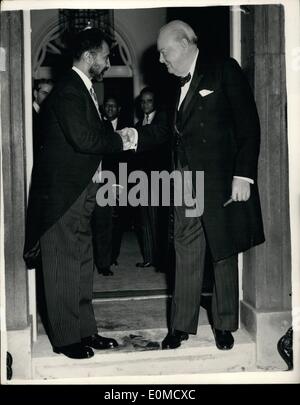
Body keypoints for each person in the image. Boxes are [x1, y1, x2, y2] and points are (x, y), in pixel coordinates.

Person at [124, 20, 265, 351]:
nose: (161, 60)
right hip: (184, 182)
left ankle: (224, 323)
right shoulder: (172, 85)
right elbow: (162, 131)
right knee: (185, 251)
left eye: (164, 52)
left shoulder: (223, 70)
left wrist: (243, 176)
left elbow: (248, 125)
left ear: (184, 44)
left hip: (219, 182)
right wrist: (132, 137)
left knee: (222, 252)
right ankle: (180, 326)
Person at [23, 28, 133, 359]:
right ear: (88, 57)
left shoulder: (82, 90)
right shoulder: (70, 91)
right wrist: (124, 140)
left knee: (82, 262)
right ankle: (66, 339)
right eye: (105, 56)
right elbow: (85, 141)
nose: (108, 62)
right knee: (62, 265)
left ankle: (86, 330)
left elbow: (89, 138)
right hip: (61, 196)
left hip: (80, 190)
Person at [92, 96, 132, 275]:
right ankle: (103, 263)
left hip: (123, 180)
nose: (109, 109)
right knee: (104, 222)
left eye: (113, 106)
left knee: (119, 221)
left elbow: (130, 158)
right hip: (103, 181)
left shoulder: (128, 126)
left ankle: (112, 256)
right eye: (106, 106)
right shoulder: (98, 125)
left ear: (119, 108)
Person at [134, 87, 171, 269]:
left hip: (159, 178)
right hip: (142, 179)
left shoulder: (162, 122)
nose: (145, 104)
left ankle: (162, 260)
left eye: (149, 101)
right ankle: (149, 258)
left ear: (155, 102)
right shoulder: (138, 125)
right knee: (144, 220)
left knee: (158, 220)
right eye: (142, 101)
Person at [32, 79, 54, 162]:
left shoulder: (51, 114)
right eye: (44, 93)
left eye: (51, 94)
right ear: (35, 93)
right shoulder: (27, 114)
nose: (48, 97)